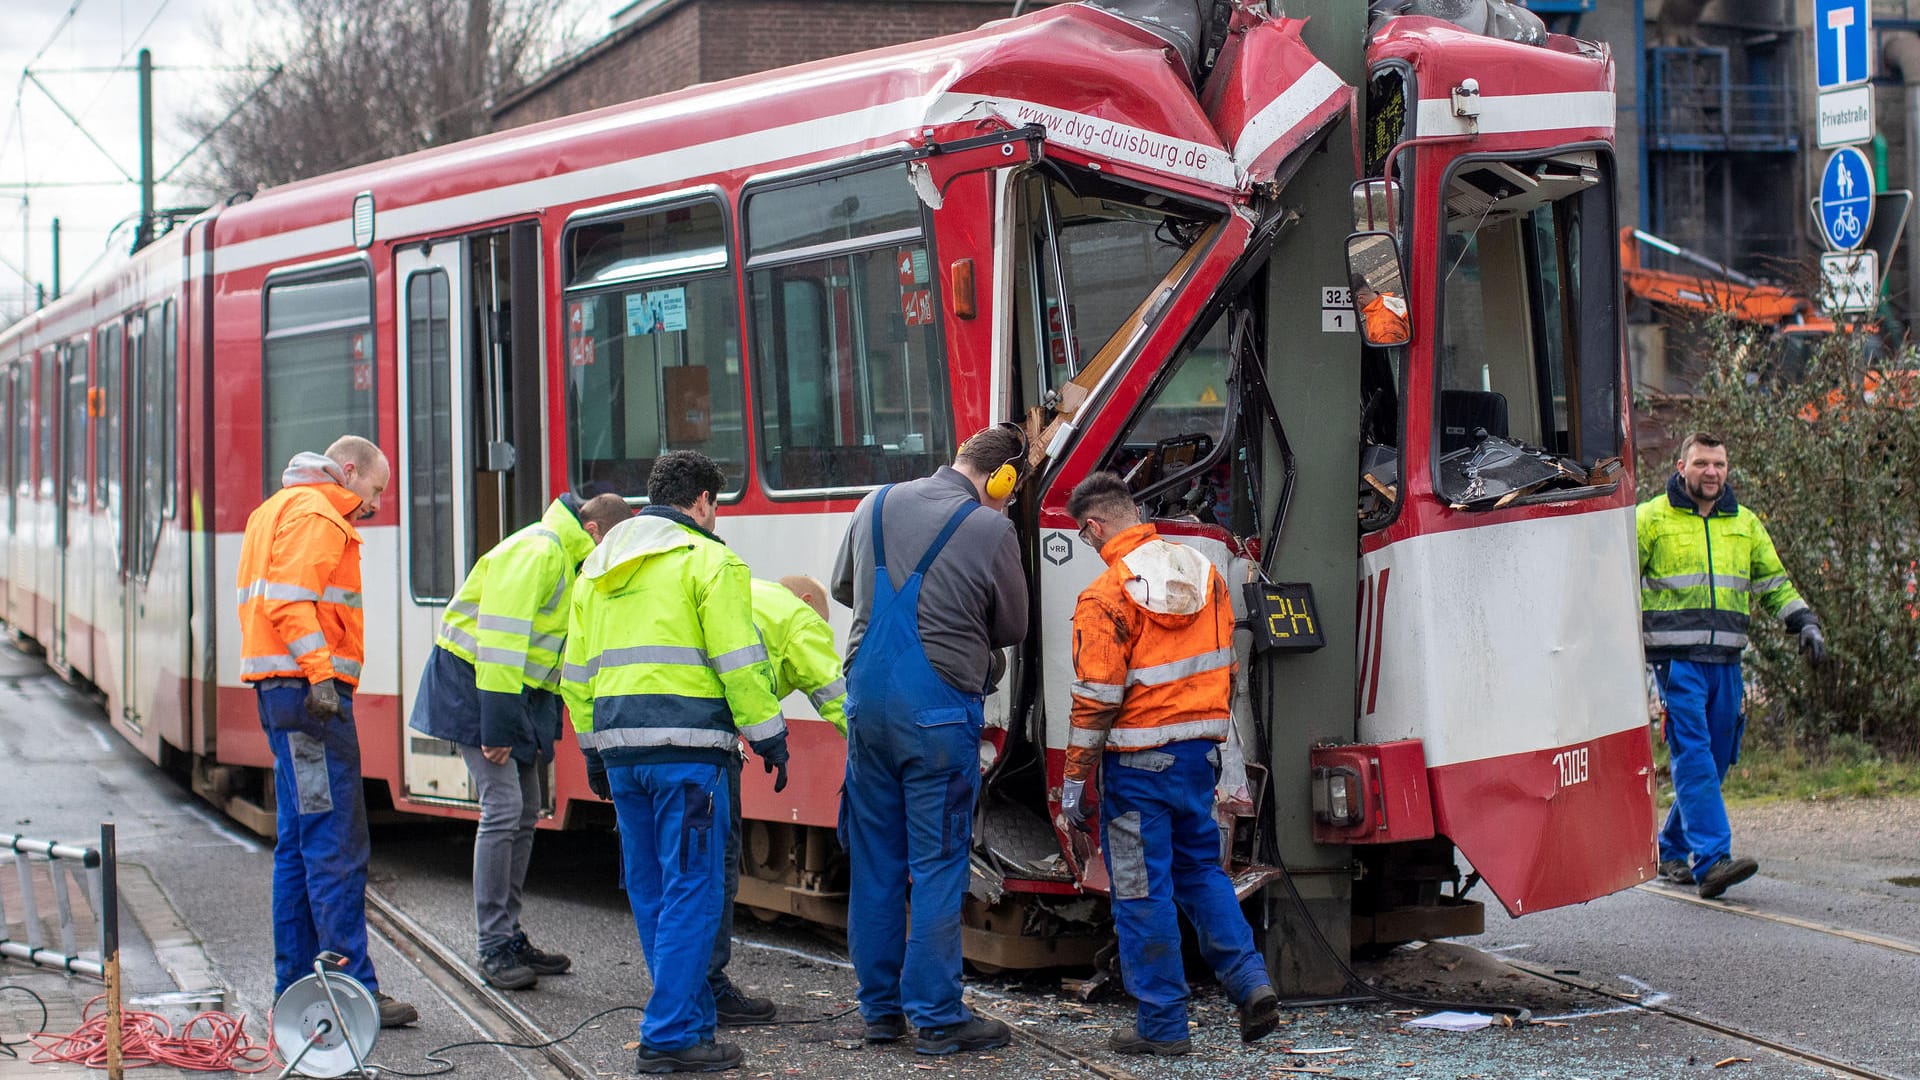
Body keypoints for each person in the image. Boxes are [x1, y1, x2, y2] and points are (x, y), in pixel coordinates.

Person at [561, 451, 789, 1074]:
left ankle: (686, 1021)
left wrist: (591, 752)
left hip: (620, 753)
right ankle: (668, 1037)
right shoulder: (711, 561)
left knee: (652, 888)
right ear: (704, 502)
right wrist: (769, 736)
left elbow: (575, 675)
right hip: (689, 757)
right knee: (693, 889)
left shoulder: (596, 568)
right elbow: (738, 663)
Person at [1058, 472, 1278, 1055]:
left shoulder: (1105, 596)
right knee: (1202, 874)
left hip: (1137, 769)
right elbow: (1228, 669)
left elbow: (1097, 700)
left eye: (1087, 538)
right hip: (1199, 759)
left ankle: (1162, 1027)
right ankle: (1252, 984)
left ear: (1094, 526)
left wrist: (1075, 778)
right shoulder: (1205, 576)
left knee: (1140, 891)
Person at [830, 423, 1028, 1056]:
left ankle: (880, 1013)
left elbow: (843, 588)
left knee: (876, 863)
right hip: (938, 716)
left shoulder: (875, 503)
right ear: (1003, 479)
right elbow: (1013, 625)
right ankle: (939, 1018)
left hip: (867, 707)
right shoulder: (993, 527)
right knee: (938, 864)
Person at [408, 492, 634, 990]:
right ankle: (493, 944)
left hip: (510, 693)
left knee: (527, 807)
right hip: (479, 687)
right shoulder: (540, 551)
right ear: (595, 531)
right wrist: (499, 727)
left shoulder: (566, 557)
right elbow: (501, 641)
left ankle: (508, 933)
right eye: (611, 545)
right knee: (505, 806)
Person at [236, 436, 417, 1028]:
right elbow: (290, 604)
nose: (377, 503)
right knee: (335, 840)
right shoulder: (320, 514)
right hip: (310, 699)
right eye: (376, 488)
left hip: (279, 694)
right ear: (348, 472)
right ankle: (348, 989)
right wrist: (319, 678)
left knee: (298, 840)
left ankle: (296, 986)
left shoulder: (272, 511)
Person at [1639, 432, 1826, 899]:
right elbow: (1614, 579)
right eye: (1702, 463)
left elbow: (1774, 583)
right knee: (1695, 755)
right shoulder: (1650, 519)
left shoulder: (1744, 524)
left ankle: (1671, 848)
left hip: (1726, 660)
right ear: (1681, 467)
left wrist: (1804, 621)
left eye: (1719, 464)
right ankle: (1713, 859)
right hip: (1675, 662)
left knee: (1718, 758)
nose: (1711, 472)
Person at [705, 575, 849, 1025]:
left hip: (644, 733)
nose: (817, 627)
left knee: (671, 870)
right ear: (806, 600)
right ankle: (707, 989)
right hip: (707, 745)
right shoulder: (796, 616)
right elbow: (832, 694)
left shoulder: (738, 589)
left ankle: (682, 989)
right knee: (716, 868)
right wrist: (878, 746)